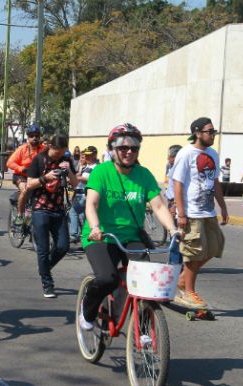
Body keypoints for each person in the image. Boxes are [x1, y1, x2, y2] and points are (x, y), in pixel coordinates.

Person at [77, 123, 180, 330]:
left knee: (146, 285)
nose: (129, 152)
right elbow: (91, 204)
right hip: (102, 236)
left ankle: (143, 332)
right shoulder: (101, 173)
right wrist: (95, 227)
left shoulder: (143, 175)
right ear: (112, 149)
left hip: (132, 236)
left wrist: (173, 230)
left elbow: (158, 205)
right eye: (123, 148)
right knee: (108, 279)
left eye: (134, 148)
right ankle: (87, 311)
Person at [171, 117, 229, 309]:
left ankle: (182, 280)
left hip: (208, 211)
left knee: (215, 246)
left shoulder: (213, 153)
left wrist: (223, 206)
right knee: (193, 253)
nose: (213, 135)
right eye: (209, 131)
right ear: (197, 133)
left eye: (214, 131)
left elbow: (215, 181)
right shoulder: (186, 153)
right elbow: (177, 183)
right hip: (191, 212)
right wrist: (181, 213)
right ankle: (188, 292)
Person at [25, 134, 78, 297]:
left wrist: (68, 171)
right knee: (43, 249)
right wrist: (45, 177)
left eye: (63, 152)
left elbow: (75, 183)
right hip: (40, 209)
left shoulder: (67, 161)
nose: (60, 155)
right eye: (58, 152)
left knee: (63, 246)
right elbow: (29, 184)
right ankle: (47, 284)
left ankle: (44, 267)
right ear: (51, 148)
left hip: (58, 210)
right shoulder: (39, 160)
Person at [6, 123, 44, 225]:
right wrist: (21, 168)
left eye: (37, 136)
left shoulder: (44, 149)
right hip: (21, 176)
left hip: (36, 176)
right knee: (25, 190)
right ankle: (19, 215)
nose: (34, 138)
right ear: (28, 137)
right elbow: (9, 163)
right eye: (32, 136)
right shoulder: (22, 149)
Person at [69, 146, 99, 243]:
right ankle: (86, 238)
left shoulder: (96, 167)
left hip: (86, 195)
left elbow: (92, 181)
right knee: (85, 217)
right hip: (80, 193)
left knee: (73, 212)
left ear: (94, 155)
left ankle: (74, 234)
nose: (86, 157)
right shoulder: (88, 166)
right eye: (85, 155)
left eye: (89, 155)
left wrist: (78, 178)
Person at [163, 145, 182, 220]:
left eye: (170, 156)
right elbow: (167, 180)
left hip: (176, 202)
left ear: (176, 157)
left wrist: (175, 203)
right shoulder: (169, 165)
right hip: (170, 200)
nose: (168, 158)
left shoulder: (181, 169)